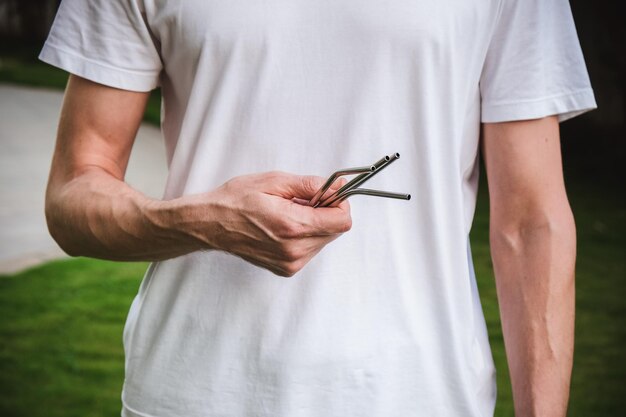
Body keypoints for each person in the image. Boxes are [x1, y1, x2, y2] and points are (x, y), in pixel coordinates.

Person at [39, 0, 596, 416]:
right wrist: (206, 220)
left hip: (419, 393)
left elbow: (532, 222)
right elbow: (72, 193)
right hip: (192, 394)